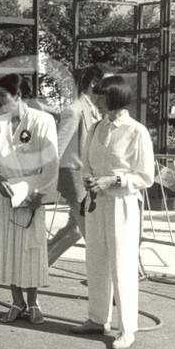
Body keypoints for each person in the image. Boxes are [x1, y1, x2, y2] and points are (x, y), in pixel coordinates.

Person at [71, 75, 154, 349]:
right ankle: (97, 319)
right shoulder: (96, 127)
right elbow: (87, 164)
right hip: (97, 203)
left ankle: (127, 328)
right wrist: (90, 181)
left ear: (116, 98)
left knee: (122, 265)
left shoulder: (136, 131)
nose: (96, 100)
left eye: (101, 97)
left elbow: (145, 176)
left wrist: (114, 182)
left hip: (122, 204)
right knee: (95, 262)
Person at [0, 74, 59, 324]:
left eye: (3, 95)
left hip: (31, 192)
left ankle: (34, 301)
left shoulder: (43, 120)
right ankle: (17, 302)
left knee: (30, 249)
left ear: (19, 95)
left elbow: (51, 163)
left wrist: (40, 194)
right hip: (3, 194)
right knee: (8, 248)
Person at [48, 66, 103, 265]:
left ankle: (35, 266)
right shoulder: (74, 110)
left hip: (88, 179)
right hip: (75, 179)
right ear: (94, 84)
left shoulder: (95, 110)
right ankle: (105, 284)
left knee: (76, 229)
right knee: (91, 234)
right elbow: (58, 147)